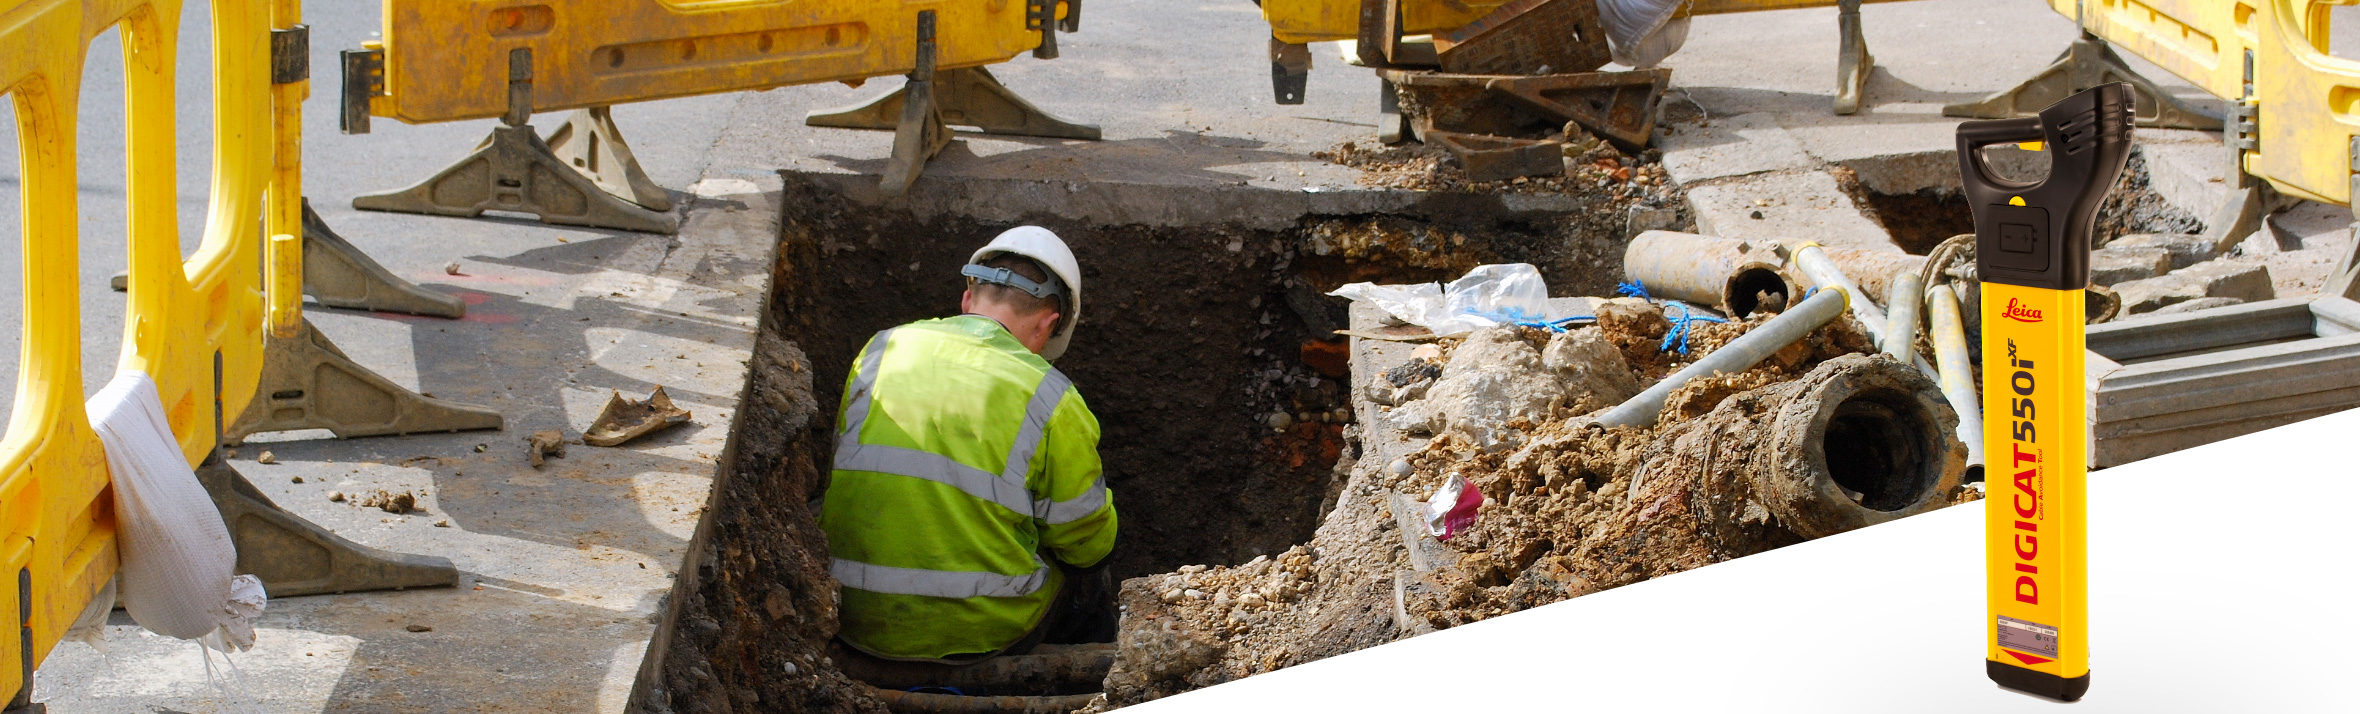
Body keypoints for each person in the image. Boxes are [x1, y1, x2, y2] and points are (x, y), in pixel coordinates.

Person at [818, 226, 1119, 663]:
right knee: (1089, 578)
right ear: (1048, 326)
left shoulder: (881, 349)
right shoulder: (1051, 396)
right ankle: (1101, 682)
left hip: (851, 614)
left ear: (967, 299)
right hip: (979, 633)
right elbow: (1086, 544)